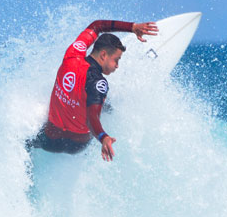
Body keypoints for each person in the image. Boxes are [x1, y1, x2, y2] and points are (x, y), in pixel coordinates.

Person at [29, 19, 158, 161]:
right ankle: (110, 108)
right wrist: (103, 137)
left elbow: (97, 26)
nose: (117, 66)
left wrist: (132, 27)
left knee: (28, 142)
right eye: (117, 60)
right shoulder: (98, 83)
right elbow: (92, 118)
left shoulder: (72, 53)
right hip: (77, 146)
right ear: (103, 55)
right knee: (101, 104)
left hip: (49, 140)